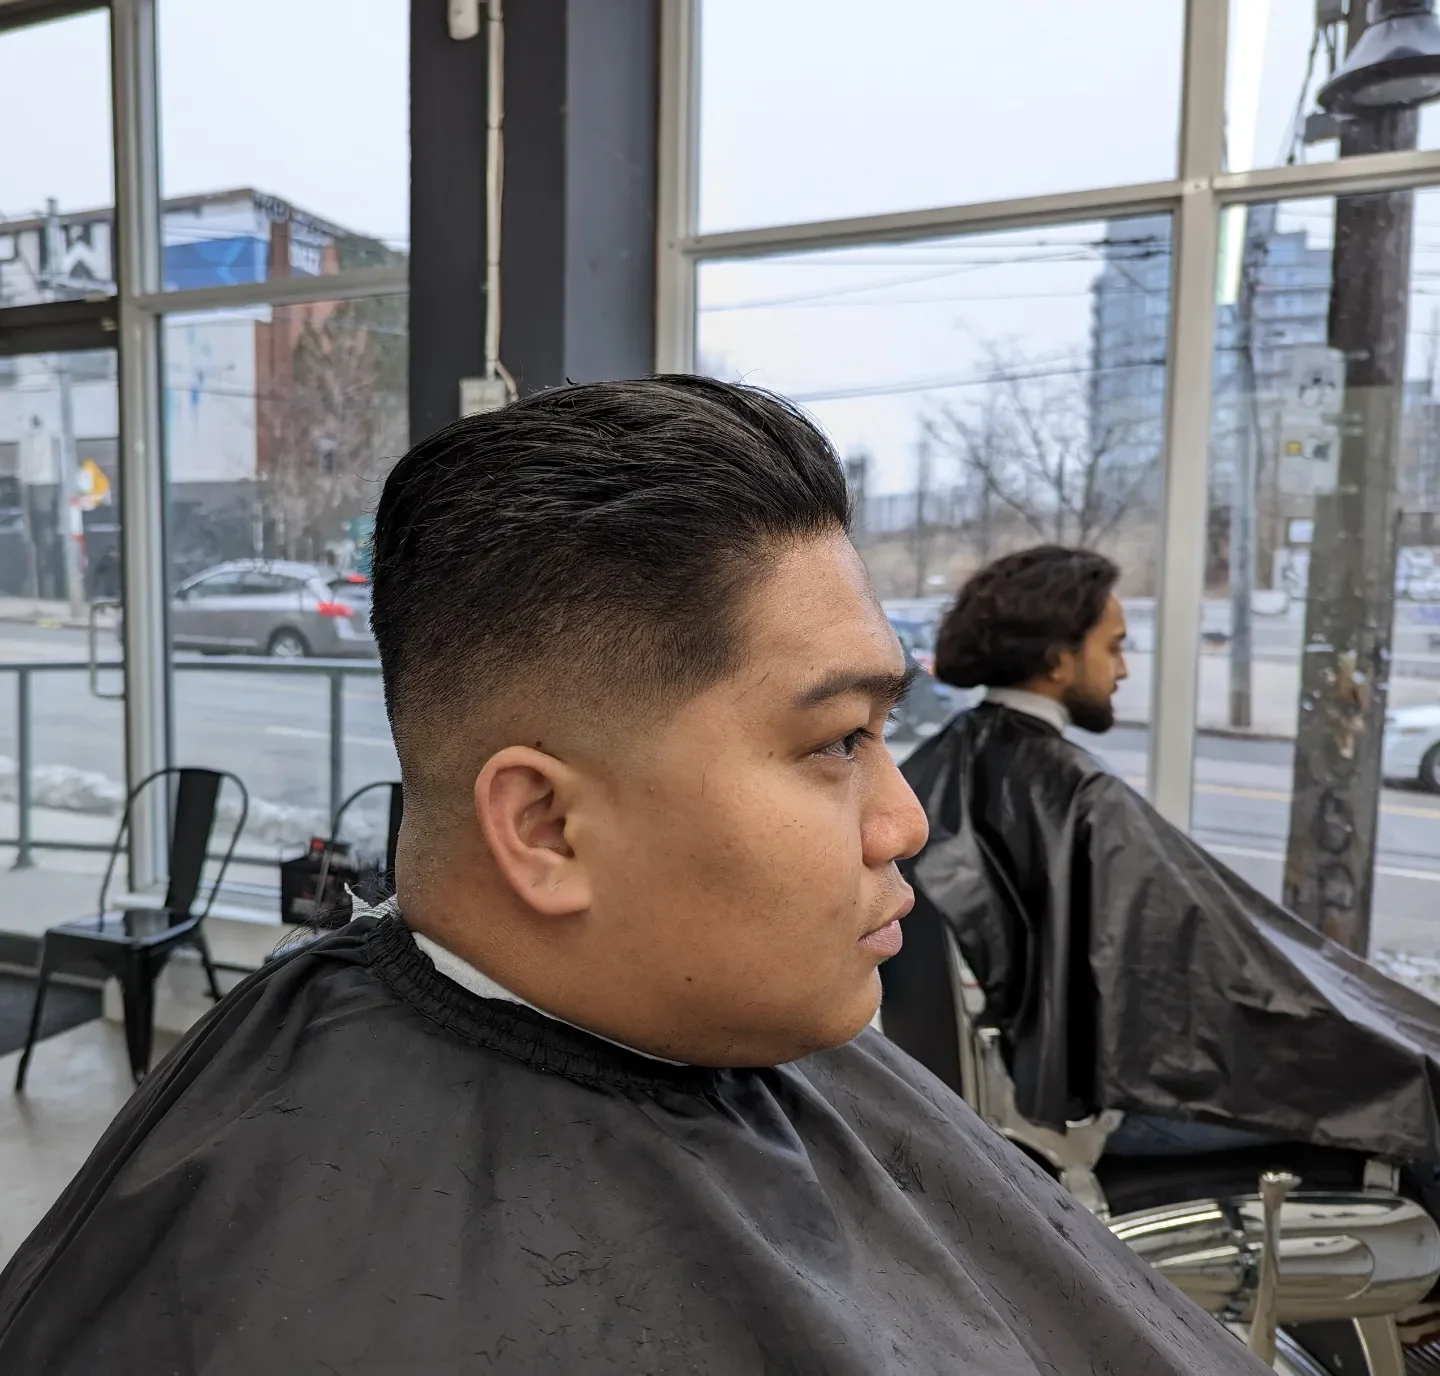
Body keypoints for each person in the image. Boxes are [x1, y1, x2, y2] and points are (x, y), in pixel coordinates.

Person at [0, 384, 1263, 1374]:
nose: (904, 819)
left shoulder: (742, 1018)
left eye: (884, 730)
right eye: (835, 742)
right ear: (544, 825)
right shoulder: (294, 1259)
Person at [881, 545, 1440, 1166]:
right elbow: (1204, 980)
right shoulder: (1078, 791)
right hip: (1121, 1109)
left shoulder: (943, 762)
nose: (1122, 670)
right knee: (1419, 1089)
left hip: (1008, 1092)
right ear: (1058, 660)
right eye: (1114, 646)